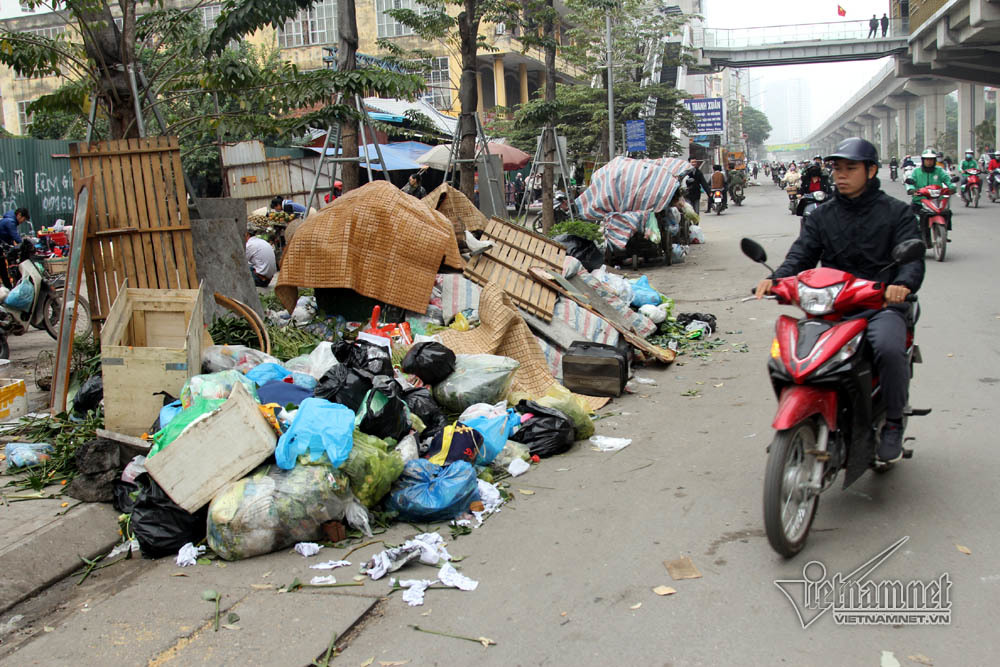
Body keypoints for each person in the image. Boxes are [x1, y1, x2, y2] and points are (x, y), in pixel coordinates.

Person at [756, 137, 924, 463]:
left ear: (871, 170)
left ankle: (892, 422)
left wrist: (901, 284)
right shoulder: (821, 216)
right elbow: (801, 255)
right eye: (837, 168)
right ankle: (800, 422)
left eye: (851, 168)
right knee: (787, 357)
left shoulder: (897, 213)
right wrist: (776, 279)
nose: (841, 175)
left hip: (879, 306)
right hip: (830, 307)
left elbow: (912, 259)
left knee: (888, 347)